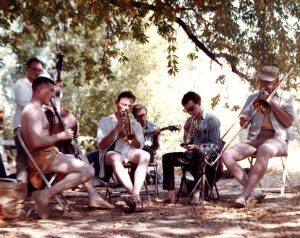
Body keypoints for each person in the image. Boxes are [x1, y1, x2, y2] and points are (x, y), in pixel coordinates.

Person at [21, 75, 114, 219]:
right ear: (40, 89)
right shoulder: (33, 110)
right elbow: (35, 143)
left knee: (82, 158)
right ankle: (45, 195)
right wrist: (61, 136)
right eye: (51, 90)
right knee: (88, 170)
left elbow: (40, 137)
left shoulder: (36, 109)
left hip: (48, 154)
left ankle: (93, 197)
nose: (53, 95)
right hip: (41, 157)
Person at [221, 66, 295, 208]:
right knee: (226, 154)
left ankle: (244, 195)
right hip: (255, 139)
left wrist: (271, 102)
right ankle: (253, 192)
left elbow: (289, 122)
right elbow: (244, 125)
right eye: (262, 81)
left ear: (277, 82)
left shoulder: (286, 97)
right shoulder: (252, 97)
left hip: (278, 140)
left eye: (267, 82)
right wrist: (243, 121)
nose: (263, 85)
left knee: (265, 149)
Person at [158, 91, 222, 205]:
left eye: (192, 109)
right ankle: (170, 194)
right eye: (187, 110)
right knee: (167, 158)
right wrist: (186, 132)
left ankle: (196, 195)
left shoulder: (212, 120)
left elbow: (215, 145)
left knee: (199, 155)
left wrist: (198, 147)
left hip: (207, 155)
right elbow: (187, 141)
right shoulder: (190, 120)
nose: (190, 113)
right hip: (192, 154)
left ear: (199, 103)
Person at [97, 91, 150, 211]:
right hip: (110, 152)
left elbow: (138, 146)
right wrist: (117, 129)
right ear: (117, 103)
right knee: (115, 158)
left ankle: (135, 195)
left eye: (129, 106)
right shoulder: (105, 121)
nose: (126, 108)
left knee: (145, 155)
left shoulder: (135, 124)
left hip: (128, 151)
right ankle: (135, 196)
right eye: (123, 104)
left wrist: (129, 134)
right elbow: (102, 145)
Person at [13, 57, 45, 183]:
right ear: (27, 69)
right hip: (21, 126)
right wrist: (43, 105)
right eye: (35, 69)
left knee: (37, 159)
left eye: (40, 71)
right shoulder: (21, 84)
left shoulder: (40, 87)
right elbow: (23, 103)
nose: (37, 73)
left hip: (36, 129)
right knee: (23, 158)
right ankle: (20, 192)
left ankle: (34, 191)